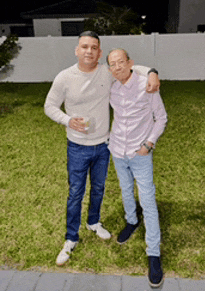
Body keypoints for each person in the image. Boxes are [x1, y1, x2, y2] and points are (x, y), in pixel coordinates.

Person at [44, 31, 160, 267]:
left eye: (94, 47)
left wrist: (152, 72)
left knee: (98, 188)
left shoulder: (107, 73)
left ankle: (93, 222)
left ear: (99, 52)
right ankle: (71, 238)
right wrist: (67, 120)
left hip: (105, 145)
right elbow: (49, 106)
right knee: (76, 192)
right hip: (77, 145)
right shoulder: (65, 77)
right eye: (84, 46)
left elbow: (130, 68)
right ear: (77, 50)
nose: (89, 51)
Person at [107, 48, 167, 288]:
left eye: (121, 62)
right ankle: (131, 221)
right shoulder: (111, 87)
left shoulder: (147, 85)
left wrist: (149, 143)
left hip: (140, 153)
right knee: (124, 189)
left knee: (148, 200)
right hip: (117, 151)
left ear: (130, 62)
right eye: (113, 64)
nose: (117, 67)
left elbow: (161, 118)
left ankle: (154, 254)